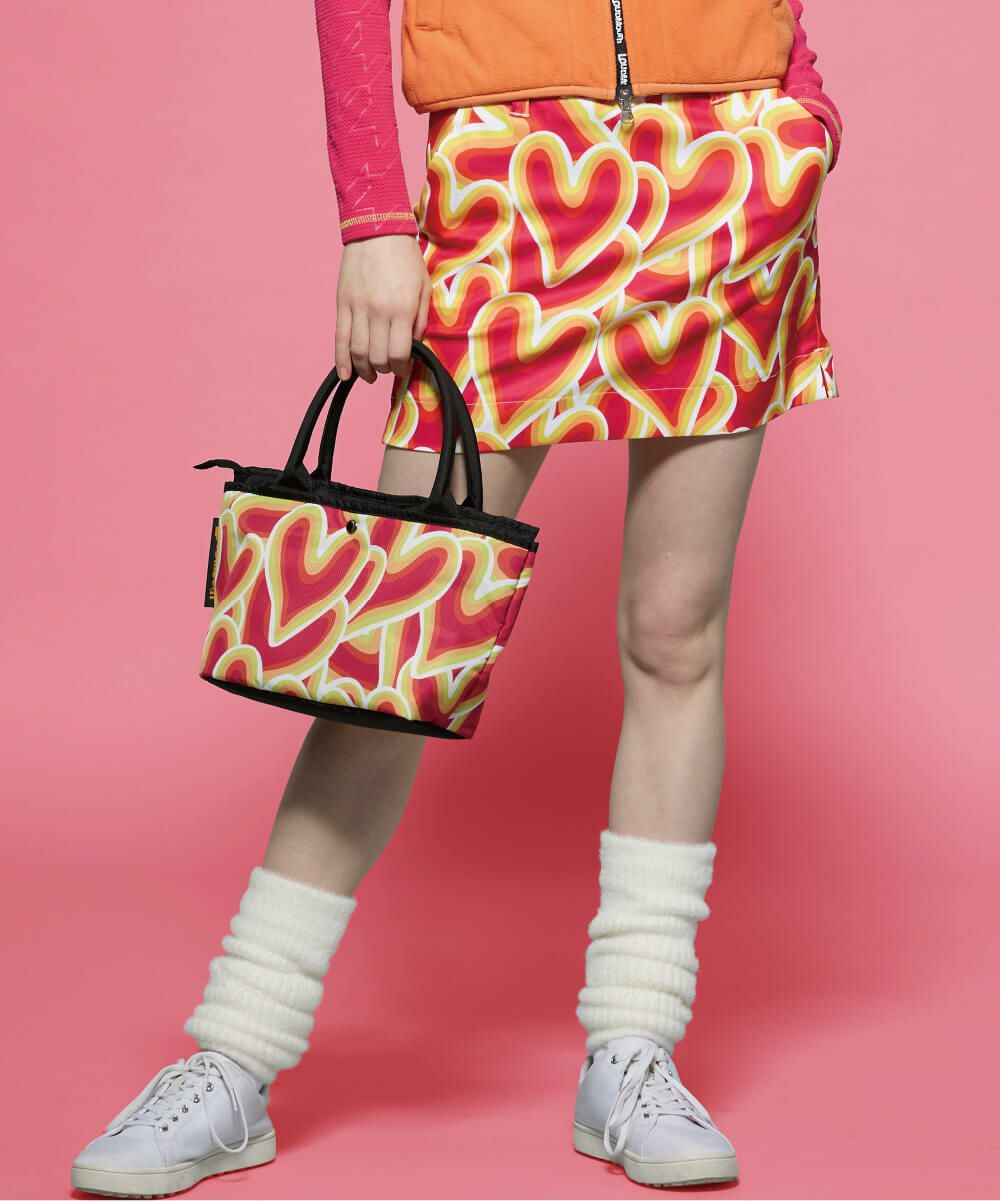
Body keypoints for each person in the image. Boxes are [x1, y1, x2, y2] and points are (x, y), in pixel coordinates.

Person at [70, 0, 843, 1194]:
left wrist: (802, 103)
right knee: (397, 639)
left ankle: (632, 1048)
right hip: (507, 168)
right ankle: (233, 1055)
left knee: (676, 633)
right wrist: (375, 219)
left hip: (730, 169)